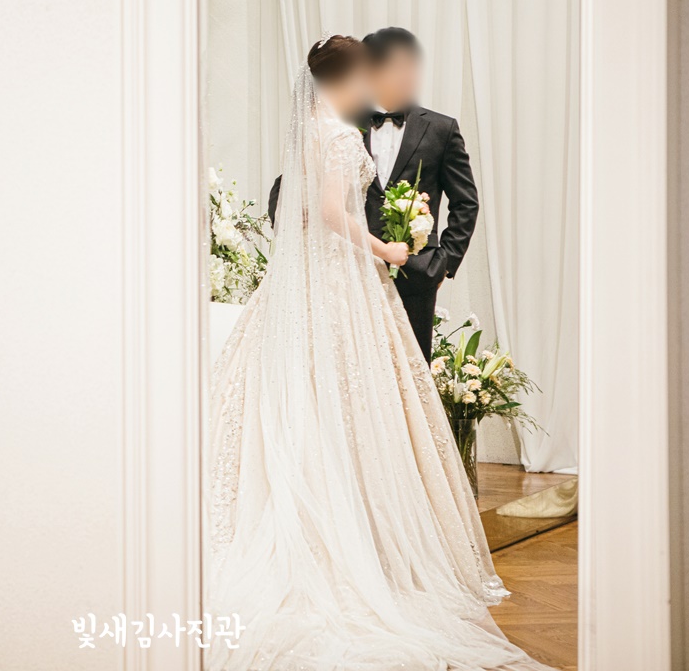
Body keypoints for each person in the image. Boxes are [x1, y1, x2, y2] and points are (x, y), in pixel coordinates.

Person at [206, 36, 550, 670]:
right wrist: (386, 249)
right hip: (344, 277)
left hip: (305, 282)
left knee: (316, 398)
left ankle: (335, 523)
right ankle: (362, 544)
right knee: (359, 400)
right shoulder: (340, 134)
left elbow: (302, 208)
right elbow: (332, 212)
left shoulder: (311, 130)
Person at [267, 27, 479, 359]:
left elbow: (466, 202)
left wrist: (442, 264)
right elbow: (290, 184)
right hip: (348, 272)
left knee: (411, 368)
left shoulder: (441, 128)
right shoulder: (342, 122)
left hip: (414, 272)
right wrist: (300, 228)